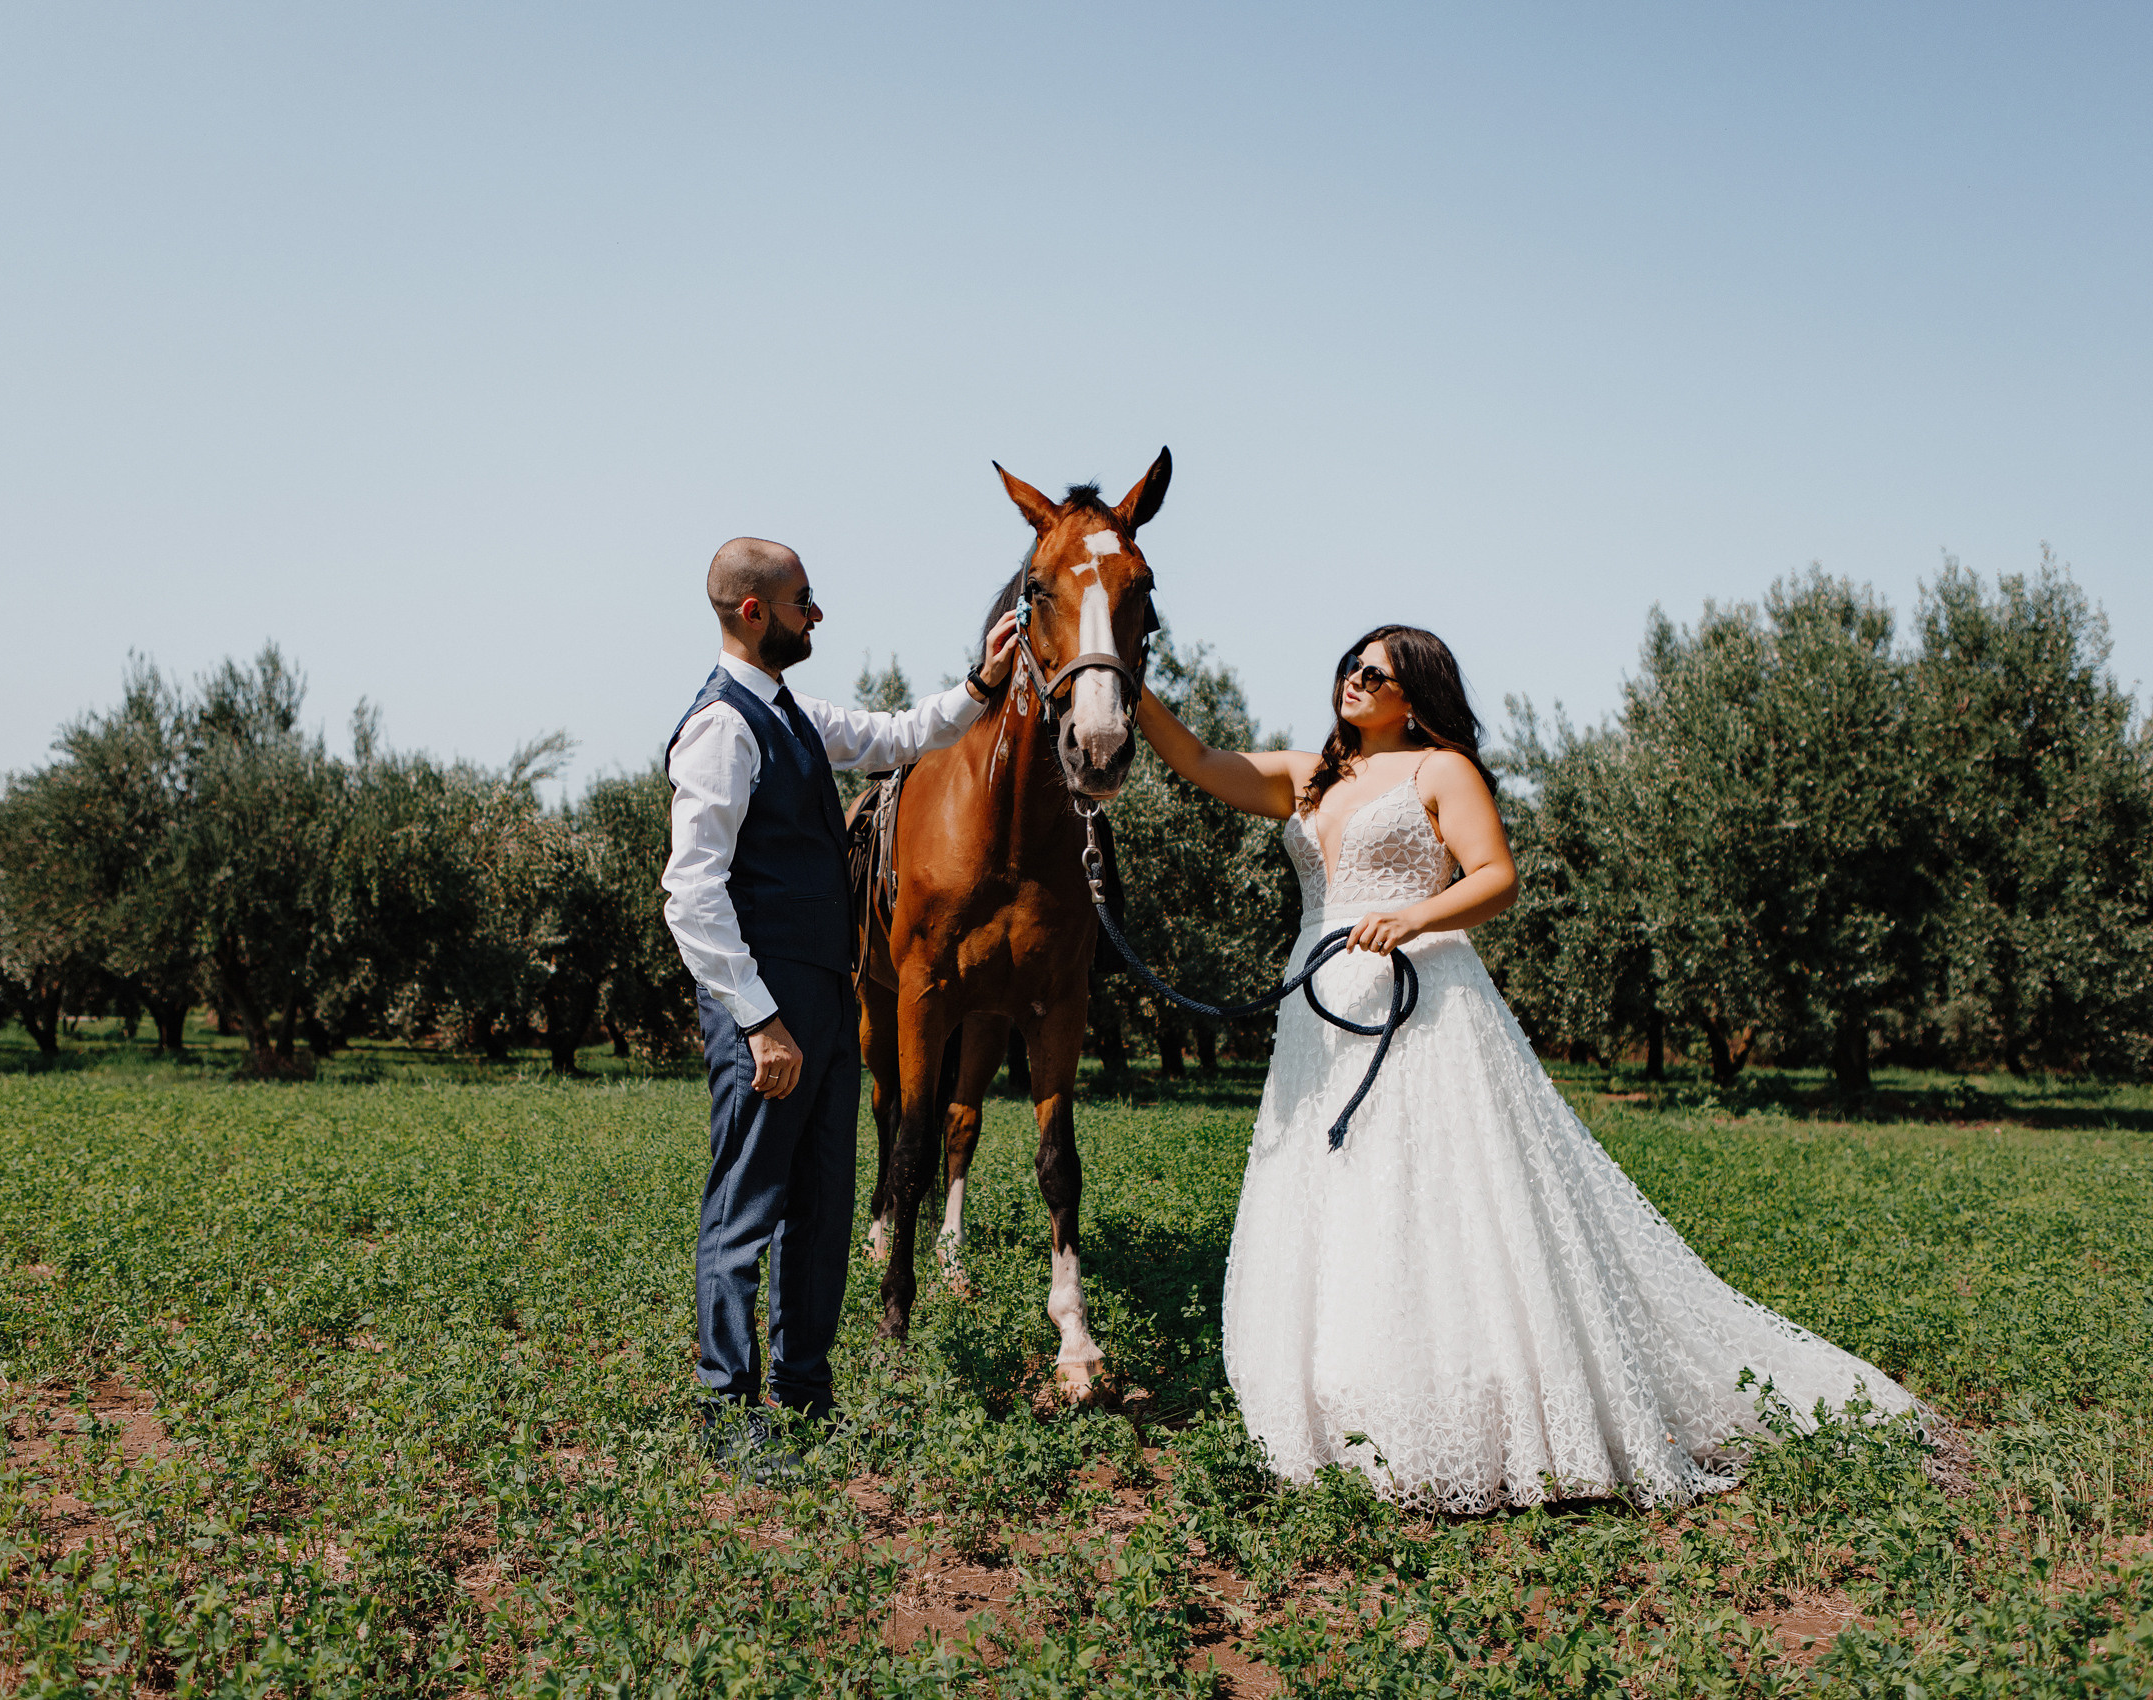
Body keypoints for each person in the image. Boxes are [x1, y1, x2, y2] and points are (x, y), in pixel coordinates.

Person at [1135, 624, 1918, 1511]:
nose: (1353, 679)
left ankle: (1464, 1403)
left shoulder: (1440, 771)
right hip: (1320, 1012)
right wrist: (1119, 682)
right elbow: (1196, 758)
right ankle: (1339, 1398)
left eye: (1375, 673)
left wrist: (1415, 916)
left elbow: (1496, 876)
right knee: (1335, 1187)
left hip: (1423, 1000)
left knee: (1429, 1193)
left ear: (1414, 695)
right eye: (1351, 665)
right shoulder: (1310, 775)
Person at [662, 536, 1019, 1468]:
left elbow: (896, 736)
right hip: (766, 1010)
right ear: (755, 612)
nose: (816, 615)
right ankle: (727, 1418)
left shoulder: (791, 713)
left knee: (822, 1207)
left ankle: (806, 1399)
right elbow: (691, 892)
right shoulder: (722, 728)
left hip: (823, 997)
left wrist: (981, 688)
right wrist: (756, 1019)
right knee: (747, 1209)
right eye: (802, 601)